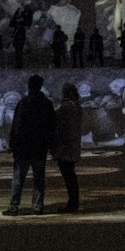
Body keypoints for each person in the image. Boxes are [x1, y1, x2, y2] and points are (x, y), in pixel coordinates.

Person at [5, 74, 54, 216]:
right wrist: (49, 144)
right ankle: (38, 206)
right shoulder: (47, 104)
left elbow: (17, 126)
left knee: (18, 179)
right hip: (40, 148)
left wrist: (12, 144)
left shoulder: (24, 103)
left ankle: (14, 207)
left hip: (24, 148)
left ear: (29, 86)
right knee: (39, 179)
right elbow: (51, 126)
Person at [51, 82, 84, 213]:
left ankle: (73, 203)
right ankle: (73, 202)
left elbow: (55, 118)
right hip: (72, 145)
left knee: (69, 176)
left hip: (65, 146)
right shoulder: (77, 106)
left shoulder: (66, 107)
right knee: (70, 175)